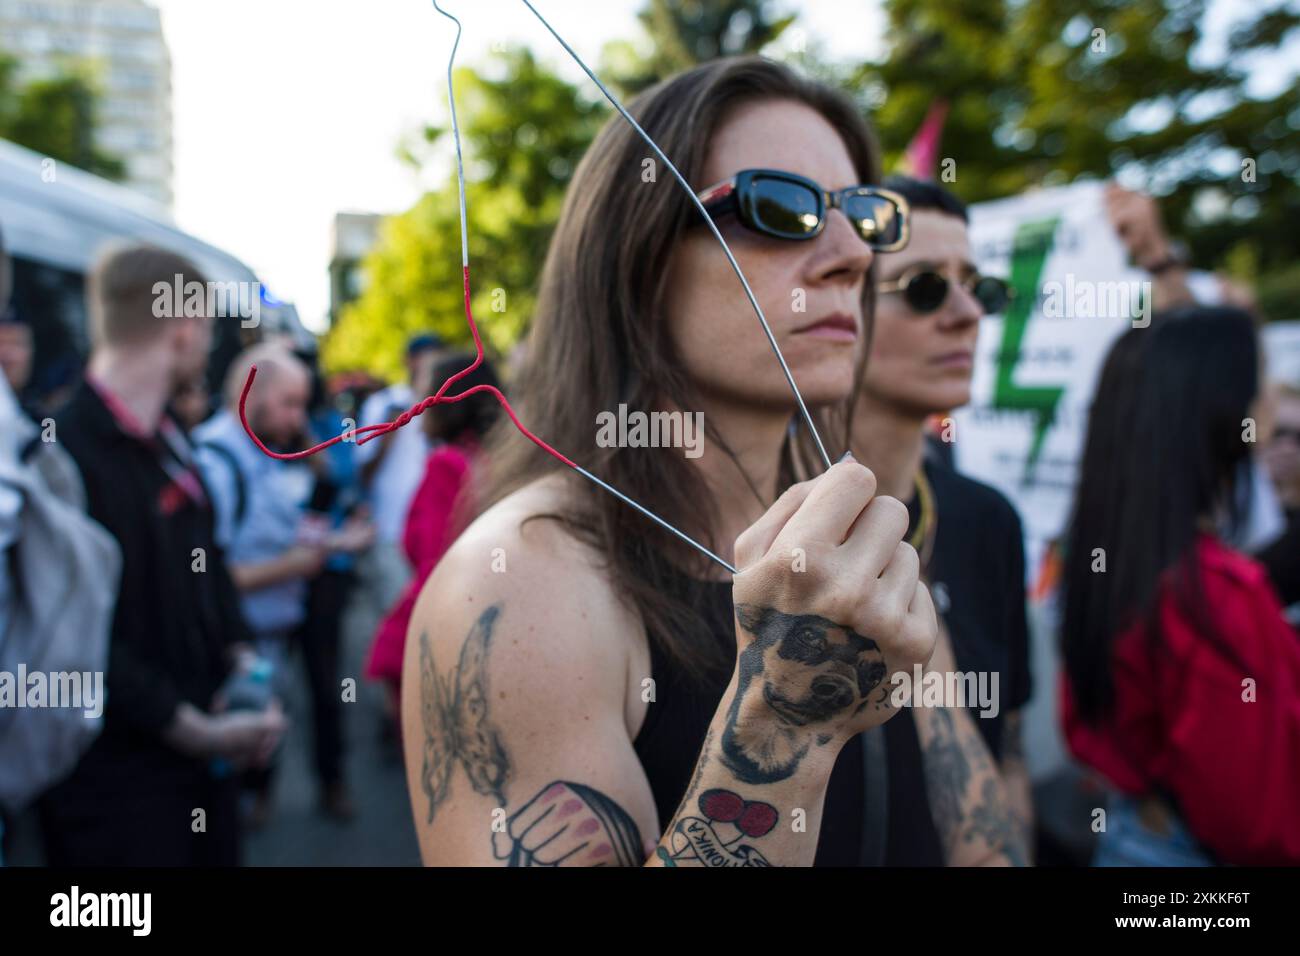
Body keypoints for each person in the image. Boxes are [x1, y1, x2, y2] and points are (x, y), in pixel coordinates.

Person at [399, 56, 942, 868]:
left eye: (865, 215)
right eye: (782, 207)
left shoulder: (860, 536)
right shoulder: (518, 586)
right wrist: (781, 724)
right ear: (639, 255)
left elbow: (975, 827)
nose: (854, 257)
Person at [39, 243, 285, 866]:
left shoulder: (171, 442)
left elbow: (211, 568)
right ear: (182, 328)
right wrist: (194, 730)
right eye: (205, 326)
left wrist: (244, 665)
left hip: (203, 776)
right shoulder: (64, 455)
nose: (207, 346)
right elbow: (74, 641)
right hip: (114, 795)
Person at [1059, 306, 1300, 866]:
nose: (1270, 396)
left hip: (1132, 834)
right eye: (1259, 377)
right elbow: (1252, 824)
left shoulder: (1114, 554)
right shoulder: (1214, 593)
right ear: (1223, 405)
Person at [846, 175, 1032, 865]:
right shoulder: (768, 539)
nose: (966, 313)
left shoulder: (988, 521)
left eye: (977, 287)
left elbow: (1007, 751)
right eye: (924, 287)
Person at [195, 343, 370, 825]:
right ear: (251, 393)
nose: (299, 419)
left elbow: (276, 532)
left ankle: (311, 787)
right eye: (289, 403)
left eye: (302, 404)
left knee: (314, 695)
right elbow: (207, 578)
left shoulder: (265, 449)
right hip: (241, 646)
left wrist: (334, 541)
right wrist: (295, 565)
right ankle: (252, 798)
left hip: (276, 626)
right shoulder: (214, 462)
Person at [365, 353, 501, 716]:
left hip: (439, 632)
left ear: (449, 401)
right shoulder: (488, 458)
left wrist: (413, 643)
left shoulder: (447, 465)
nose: (417, 402)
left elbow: (436, 567)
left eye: (425, 390)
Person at [353, 333, 444, 635]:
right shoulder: (386, 402)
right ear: (409, 361)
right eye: (424, 356)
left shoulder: (444, 402)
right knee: (399, 624)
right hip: (392, 530)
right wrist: (391, 430)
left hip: (433, 532)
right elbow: (363, 470)